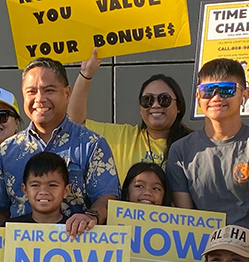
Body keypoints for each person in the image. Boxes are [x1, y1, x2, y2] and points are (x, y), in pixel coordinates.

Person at [166, 58, 249, 262]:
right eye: (208, 90)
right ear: (198, 98)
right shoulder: (180, 151)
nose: (217, 97)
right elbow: (187, 224)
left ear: (244, 95)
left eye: (227, 90)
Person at [0, 57, 119, 231]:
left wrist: (90, 216)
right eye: (31, 91)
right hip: (19, 252)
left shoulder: (92, 144)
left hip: (77, 250)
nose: (40, 99)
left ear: (67, 93)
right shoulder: (8, 149)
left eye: (49, 90)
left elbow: (107, 197)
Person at [68, 48, 193, 179]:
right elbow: (76, 122)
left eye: (164, 99)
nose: (155, 105)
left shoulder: (192, 144)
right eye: (147, 100)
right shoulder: (124, 137)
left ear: (178, 106)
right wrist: (86, 74)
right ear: (141, 108)